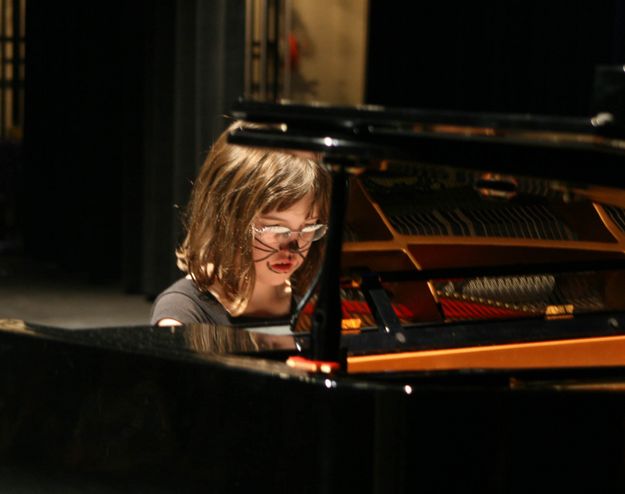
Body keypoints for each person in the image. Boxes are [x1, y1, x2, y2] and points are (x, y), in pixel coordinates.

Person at [150, 121, 331, 327]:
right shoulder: (183, 313)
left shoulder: (315, 307)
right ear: (227, 220)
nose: (294, 247)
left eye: (309, 228)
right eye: (276, 228)